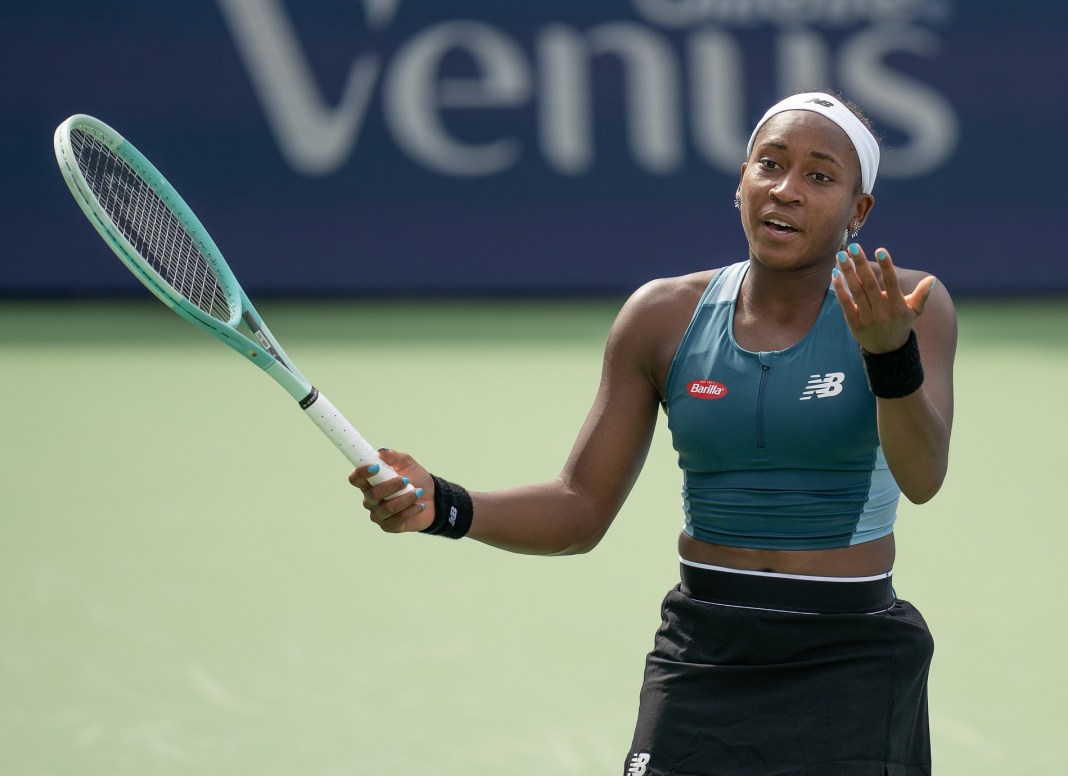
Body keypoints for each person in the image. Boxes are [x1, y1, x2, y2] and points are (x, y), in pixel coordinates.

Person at [348, 91, 956, 775]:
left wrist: (887, 354)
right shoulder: (661, 318)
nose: (786, 190)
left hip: (852, 658)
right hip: (703, 654)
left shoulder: (908, 307)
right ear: (741, 182)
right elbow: (579, 508)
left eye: (819, 176)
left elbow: (923, 476)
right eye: (770, 164)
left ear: (858, 210)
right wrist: (446, 505)